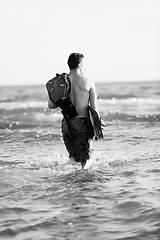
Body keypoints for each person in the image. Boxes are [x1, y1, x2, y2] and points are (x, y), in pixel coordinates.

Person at [48, 53, 100, 168]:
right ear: (80, 65)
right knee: (85, 161)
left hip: (67, 123)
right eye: (84, 64)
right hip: (83, 124)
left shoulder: (61, 82)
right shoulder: (88, 82)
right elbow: (94, 108)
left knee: (73, 159)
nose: (85, 67)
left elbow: (51, 105)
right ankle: (84, 183)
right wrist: (97, 125)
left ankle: (73, 182)